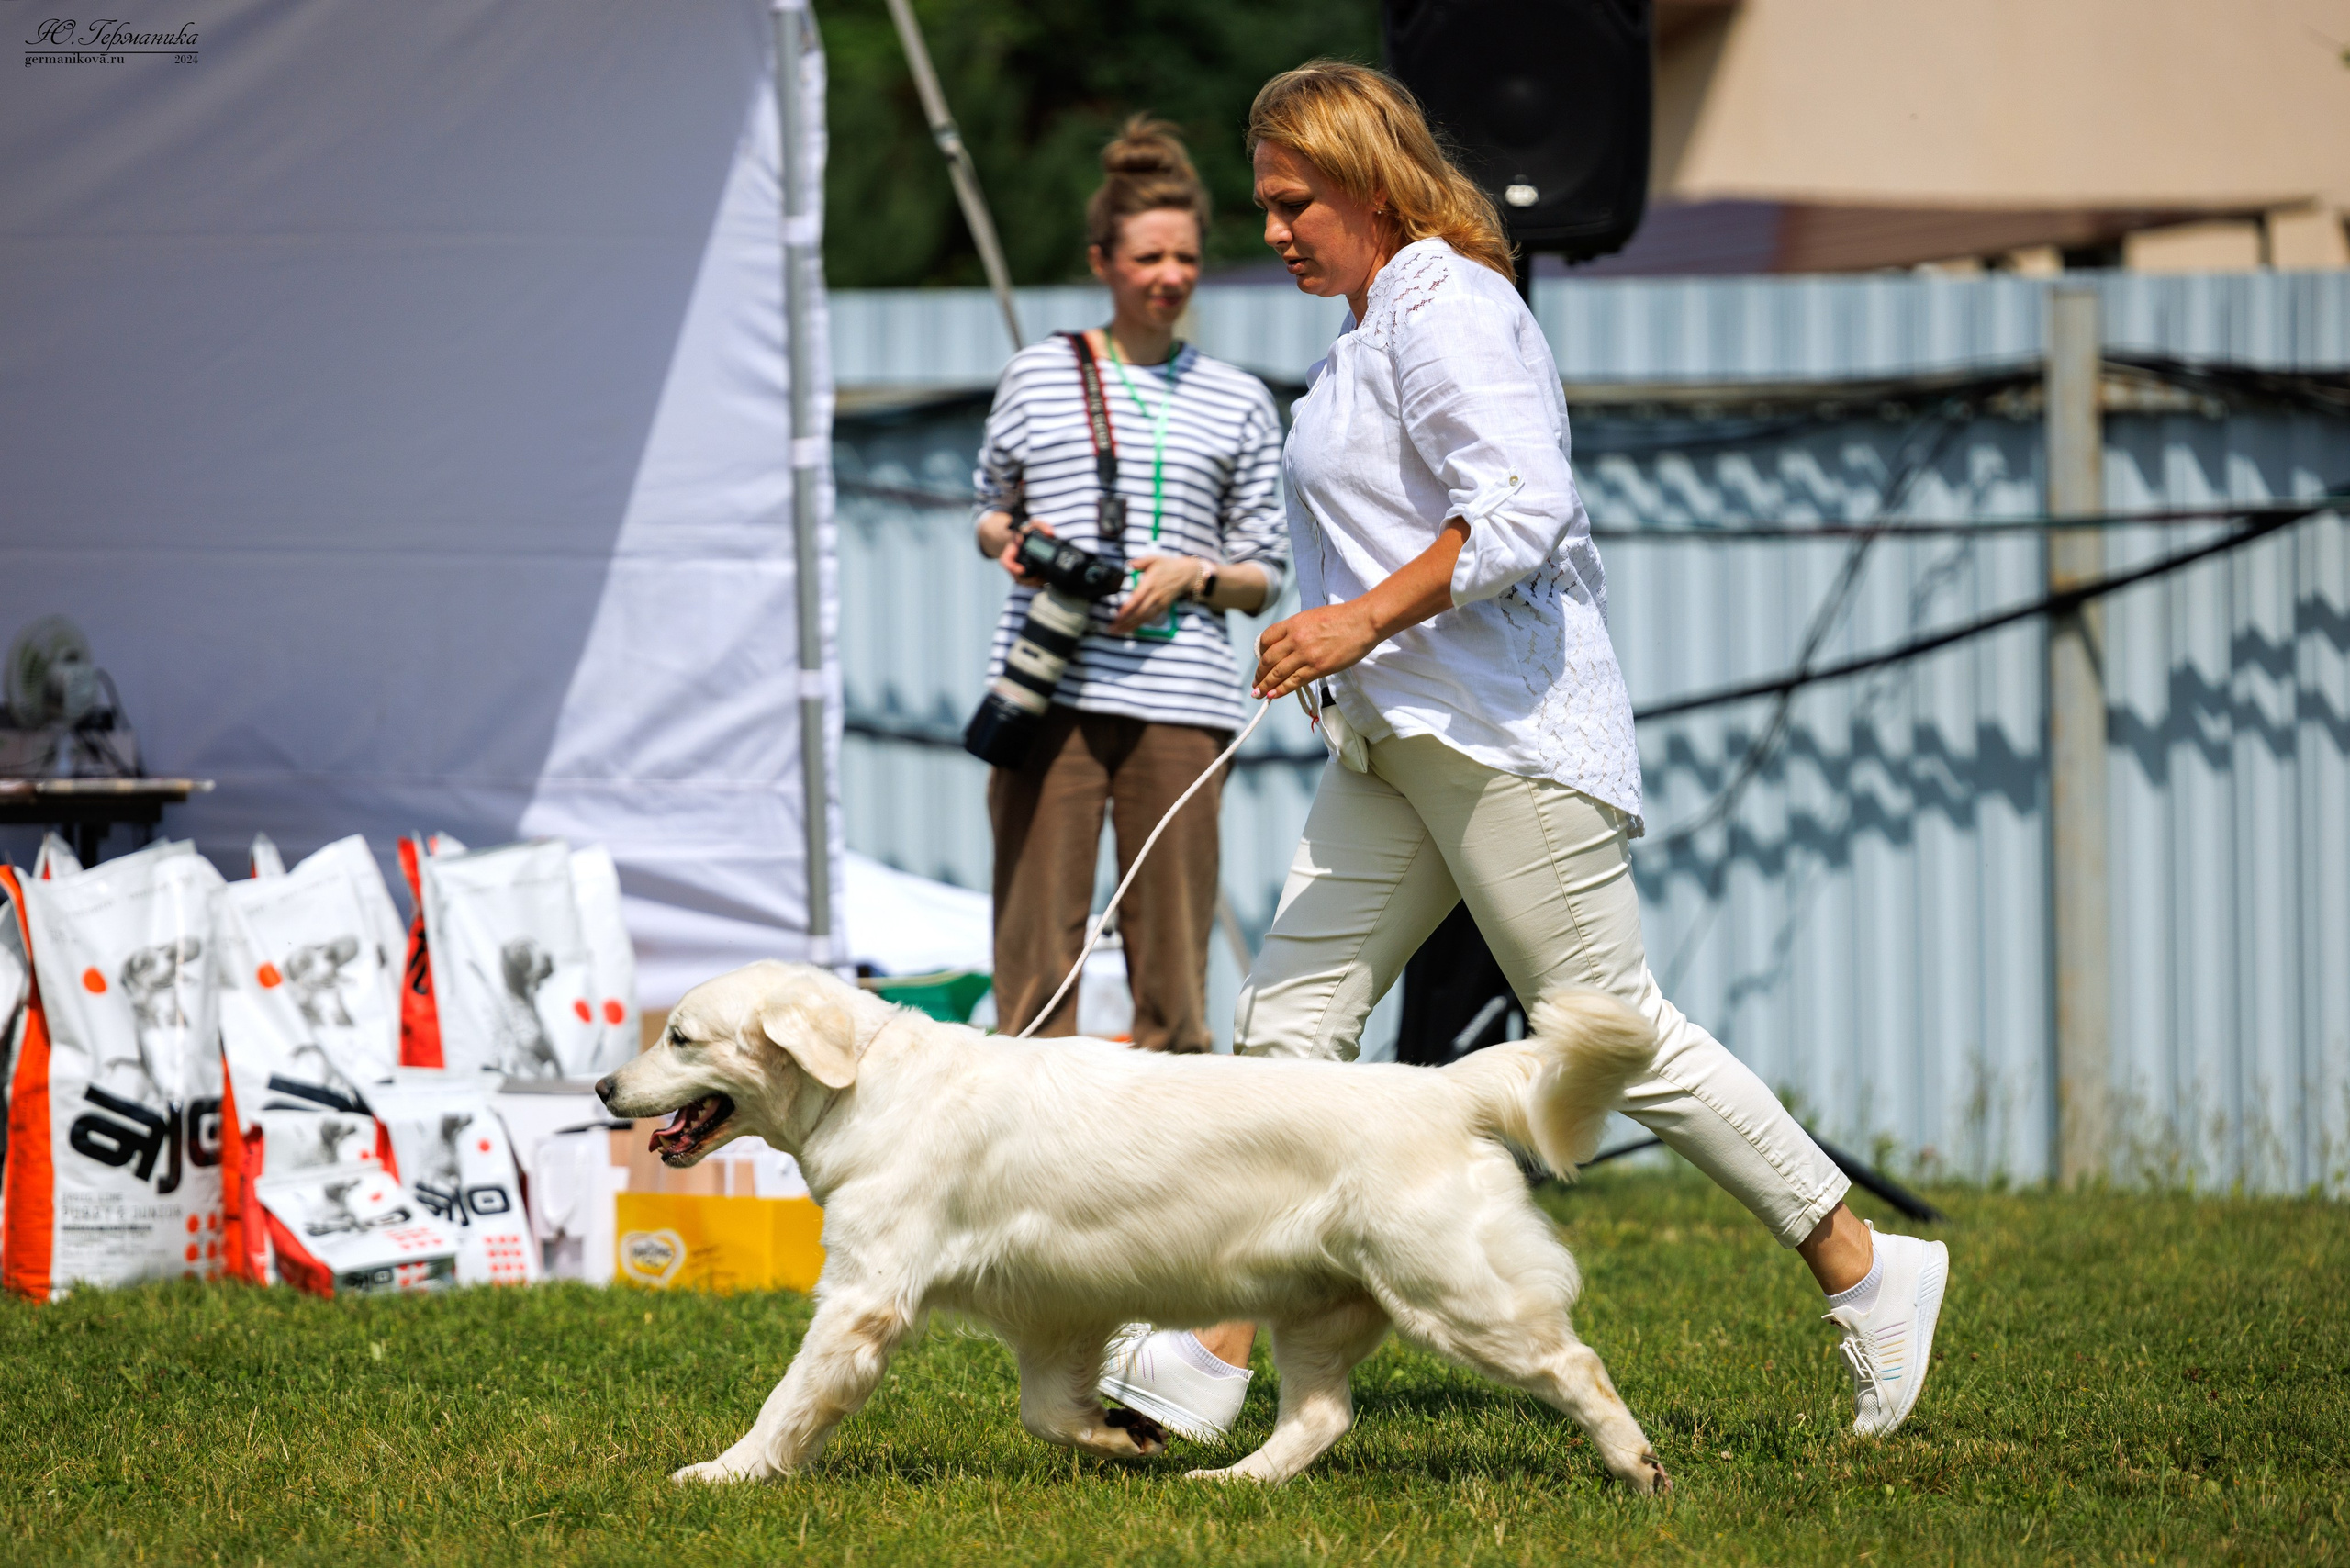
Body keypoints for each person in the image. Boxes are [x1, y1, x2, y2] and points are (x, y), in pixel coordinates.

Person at [1107, 62, 1951, 1448]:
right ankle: (1209, 1353)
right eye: (1264, 207)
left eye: (1290, 203)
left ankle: (1866, 1272)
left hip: (1501, 736)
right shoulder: (1369, 325)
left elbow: (1523, 511)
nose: (1271, 233)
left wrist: (1355, 620)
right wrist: (1316, 633)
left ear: (1368, 182)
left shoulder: (1451, 305)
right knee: (1288, 1038)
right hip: (1398, 745)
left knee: (1607, 1030)